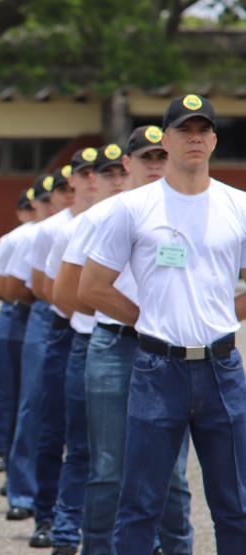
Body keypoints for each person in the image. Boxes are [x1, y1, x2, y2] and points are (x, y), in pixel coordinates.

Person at [80, 94, 241, 554]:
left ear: (212, 140)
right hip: (156, 368)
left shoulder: (237, 206)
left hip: (221, 369)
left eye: (203, 130)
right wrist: (147, 320)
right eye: (184, 130)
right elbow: (91, 287)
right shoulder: (132, 207)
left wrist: (222, 317)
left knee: (235, 504)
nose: (195, 138)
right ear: (166, 139)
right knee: (141, 503)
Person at [59, 128, 192, 555]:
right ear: (127, 166)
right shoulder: (103, 214)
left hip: (172, 351)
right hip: (117, 347)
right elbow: (67, 293)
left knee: (172, 475)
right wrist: (143, 319)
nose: (154, 165)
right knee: (109, 468)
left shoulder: (188, 212)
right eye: (145, 158)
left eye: (160, 156)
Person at [41, 147, 114, 555]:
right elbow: (59, 291)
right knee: (81, 444)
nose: (106, 181)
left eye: (115, 173)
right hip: (88, 339)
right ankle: (66, 531)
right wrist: (96, 323)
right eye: (102, 174)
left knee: (140, 453)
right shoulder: (75, 226)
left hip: (138, 344)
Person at [1, 173, 68, 525]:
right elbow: (17, 286)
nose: (72, 194)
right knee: (34, 404)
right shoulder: (41, 231)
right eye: (65, 189)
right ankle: (24, 492)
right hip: (47, 312)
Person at [0, 191, 36, 474]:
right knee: (10, 389)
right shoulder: (13, 238)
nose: (32, 212)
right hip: (15, 313)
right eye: (26, 207)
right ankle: (1, 449)